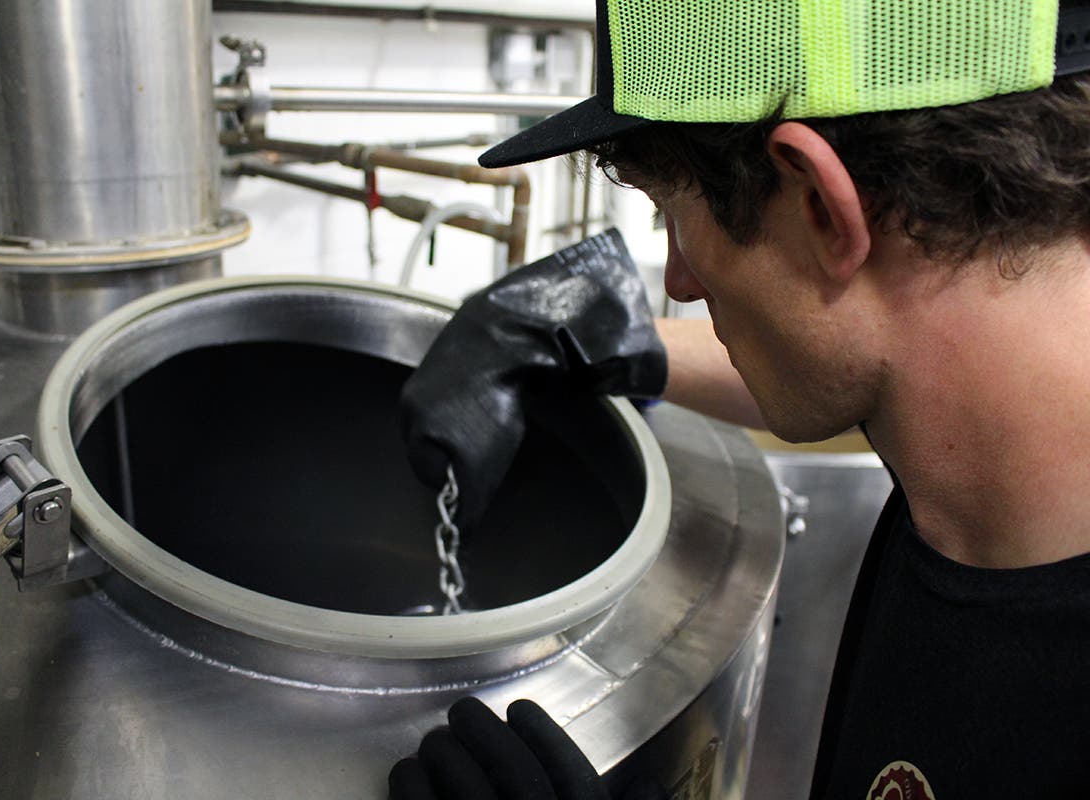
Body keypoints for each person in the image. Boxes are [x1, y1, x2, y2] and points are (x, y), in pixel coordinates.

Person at [392, 1, 1090, 798]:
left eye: (671, 215)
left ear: (823, 207)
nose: (679, 282)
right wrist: (596, 339)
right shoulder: (974, 449)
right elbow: (867, 327)